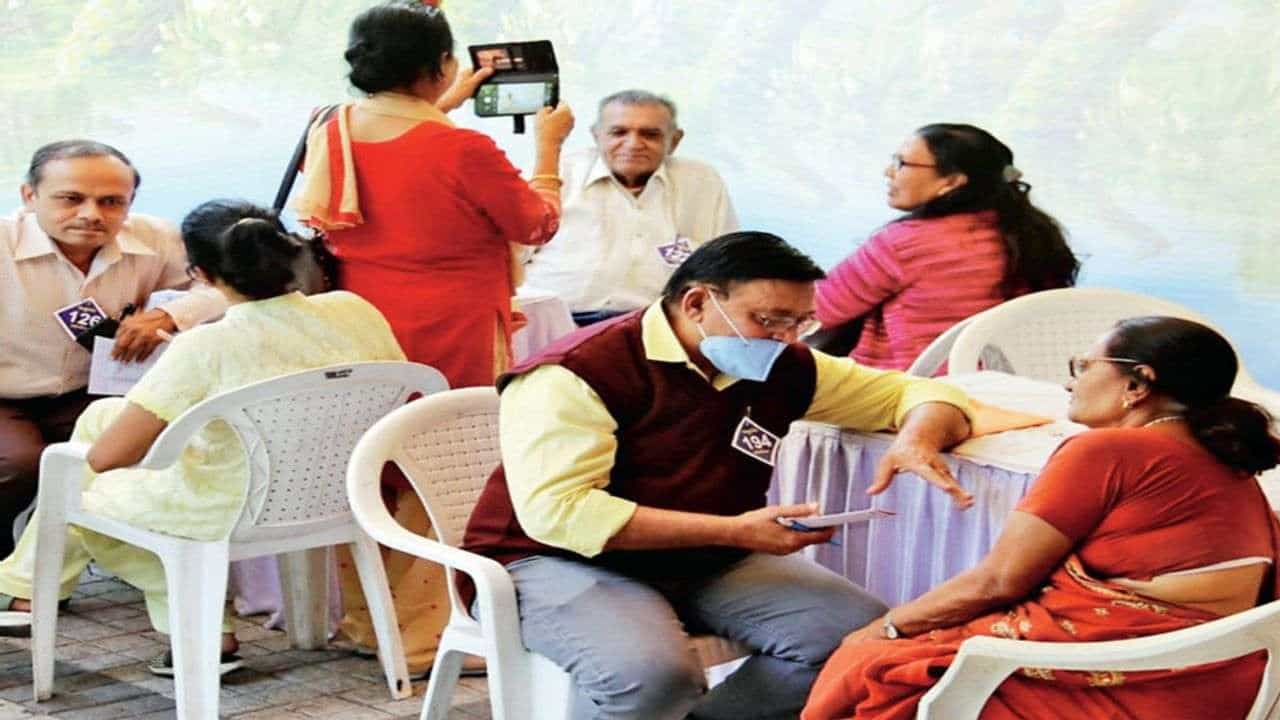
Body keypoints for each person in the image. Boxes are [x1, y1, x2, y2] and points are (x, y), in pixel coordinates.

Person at [463, 231, 977, 719]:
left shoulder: (781, 366)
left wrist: (917, 436)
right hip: (553, 558)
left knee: (862, 639)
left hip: (700, 554)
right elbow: (561, 513)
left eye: (800, 323)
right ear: (696, 303)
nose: (785, 339)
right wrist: (733, 531)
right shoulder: (579, 371)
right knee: (653, 677)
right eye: (769, 320)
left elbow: (918, 393)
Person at [803, 316, 1280, 720]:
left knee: (875, 666)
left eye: (1085, 367)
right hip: (1227, 677)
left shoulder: (1110, 449)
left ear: (1137, 384)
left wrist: (886, 626)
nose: (1070, 383)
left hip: (1137, 684)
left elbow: (998, 582)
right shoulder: (1228, 460)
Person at [0, 200, 406, 672]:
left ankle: (202, 632)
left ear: (201, 275)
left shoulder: (207, 345)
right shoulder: (354, 310)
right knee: (101, 417)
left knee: (80, 495)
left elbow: (107, 458)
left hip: (231, 507)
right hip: (341, 492)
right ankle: (25, 586)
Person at [291, 0, 573, 675]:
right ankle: (426, 634)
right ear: (441, 65)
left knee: (373, 464)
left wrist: (445, 101)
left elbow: (396, 146)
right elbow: (535, 223)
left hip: (359, 317)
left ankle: (367, 622)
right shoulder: (462, 148)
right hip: (450, 322)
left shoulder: (332, 129)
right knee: (442, 464)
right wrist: (549, 148)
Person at [0, 140, 227, 559]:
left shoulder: (156, 238)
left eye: (111, 202)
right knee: (19, 463)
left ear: (130, 202)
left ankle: (69, 560)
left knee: (156, 449)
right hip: (6, 396)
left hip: (94, 390)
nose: (91, 214)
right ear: (29, 196)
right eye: (71, 199)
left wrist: (171, 314)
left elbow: (223, 289)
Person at [814, 123, 1080, 371]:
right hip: (1006, 386)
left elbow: (814, 311)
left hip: (916, 392)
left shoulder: (905, 243)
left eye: (902, 163)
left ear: (951, 181)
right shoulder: (1032, 235)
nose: (889, 172)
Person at [522, 89, 738, 326]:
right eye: (619, 132)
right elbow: (511, 258)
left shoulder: (701, 181)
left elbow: (726, 269)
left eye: (650, 134)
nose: (633, 144)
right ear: (596, 136)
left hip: (655, 328)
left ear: (674, 141)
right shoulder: (555, 175)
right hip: (555, 324)